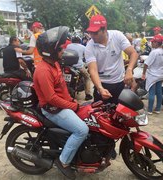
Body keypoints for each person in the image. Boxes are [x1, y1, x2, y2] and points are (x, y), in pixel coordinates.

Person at [33, 26, 89, 179]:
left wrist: (72, 100)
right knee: (82, 130)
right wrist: (73, 105)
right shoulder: (44, 70)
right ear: (50, 51)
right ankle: (63, 161)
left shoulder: (55, 63)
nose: (63, 51)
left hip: (61, 105)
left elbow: (62, 88)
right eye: (60, 49)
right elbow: (51, 98)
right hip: (52, 109)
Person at [85, 14, 138, 105]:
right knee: (100, 114)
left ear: (104, 30)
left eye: (95, 33)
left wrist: (129, 70)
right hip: (102, 83)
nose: (92, 36)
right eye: (90, 32)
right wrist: (100, 89)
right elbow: (93, 70)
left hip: (119, 83)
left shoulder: (117, 36)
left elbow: (133, 53)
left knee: (121, 113)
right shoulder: (90, 46)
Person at [66, 35, 93, 100]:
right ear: (79, 41)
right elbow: (87, 56)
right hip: (79, 66)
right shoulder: (83, 47)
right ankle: (88, 95)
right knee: (87, 78)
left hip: (68, 66)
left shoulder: (68, 46)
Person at [142, 34, 163, 115]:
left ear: (157, 43)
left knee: (151, 92)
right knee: (159, 92)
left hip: (153, 75)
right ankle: (157, 109)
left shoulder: (154, 52)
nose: (151, 43)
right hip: (160, 75)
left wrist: (143, 73)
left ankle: (150, 110)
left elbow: (146, 64)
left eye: (153, 42)